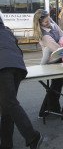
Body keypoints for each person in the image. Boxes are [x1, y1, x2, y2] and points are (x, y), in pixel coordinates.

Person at [0, 13, 43, 149]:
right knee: (7, 107)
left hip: (4, 67)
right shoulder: (6, 32)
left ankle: (32, 136)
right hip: (17, 67)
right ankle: (6, 144)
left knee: (10, 104)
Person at [33, 9, 63, 118]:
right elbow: (57, 49)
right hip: (51, 61)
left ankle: (52, 109)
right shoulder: (44, 35)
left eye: (49, 20)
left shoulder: (50, 21)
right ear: (40, 23)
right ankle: (46, 111)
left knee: (56, 86)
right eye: (46, 22)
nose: (49, 23)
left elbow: (62, 34)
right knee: (55, 87)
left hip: (57, 58)